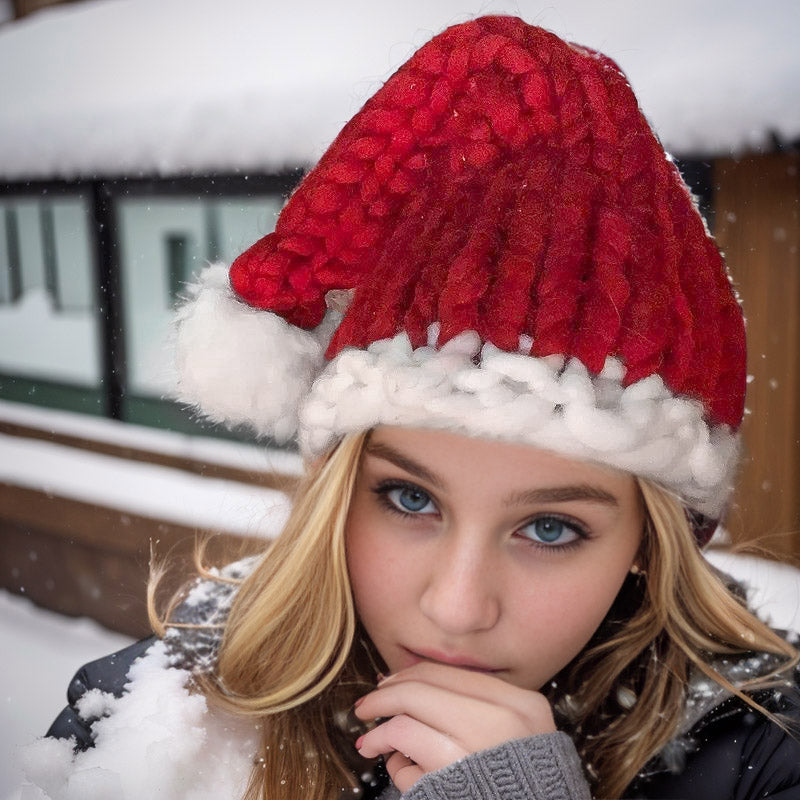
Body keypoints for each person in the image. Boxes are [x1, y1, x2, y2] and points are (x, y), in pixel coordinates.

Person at [28, 14, 800, 800]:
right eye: (408, 497)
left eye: (550, 528)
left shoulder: (766, 758)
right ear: (337, 488)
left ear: (650, 542)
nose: (457, 608)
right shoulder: (150, 728)